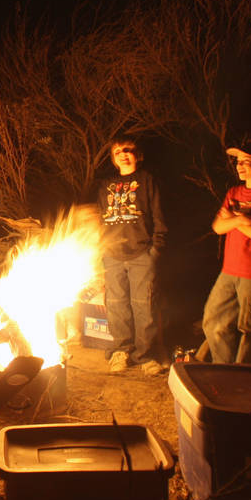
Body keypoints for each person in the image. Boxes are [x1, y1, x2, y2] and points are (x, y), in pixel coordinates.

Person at [92, 136, 168, 375]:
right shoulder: (106, 184)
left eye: (128, 150)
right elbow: (100, 218)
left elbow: (159, 217)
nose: (123, 154)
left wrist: (155, 249)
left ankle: (145, 356)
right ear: (114, 160)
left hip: (141, 252)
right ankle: (120, 351)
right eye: (117, 152)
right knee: (116, 306)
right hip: (112, 254)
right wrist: (100, 250)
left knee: (144, 305)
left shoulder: (147, 181)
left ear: (137, 154)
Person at [202, 140, 251, 364]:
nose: (240, 166)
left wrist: (233, 219)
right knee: (213, 320)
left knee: (249, 329)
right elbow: (218, 227)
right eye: (238, 162)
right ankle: (225, 370)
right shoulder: (234, 192)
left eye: (247, 162)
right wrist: (243, 219)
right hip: (230, 268)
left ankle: (246, 377)